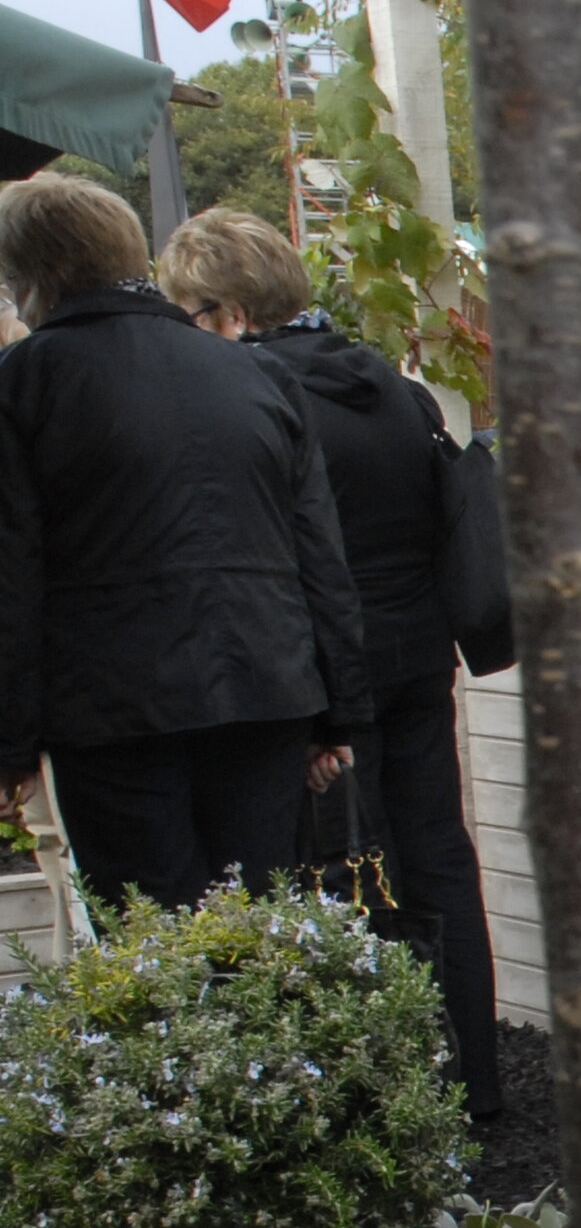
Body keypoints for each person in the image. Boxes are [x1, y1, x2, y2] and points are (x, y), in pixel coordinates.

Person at [158, 207, 504, 1125]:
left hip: (324, 672)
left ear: (226, 312)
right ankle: (475, 1080)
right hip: (420, 655)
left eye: (189, 313)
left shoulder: (251, 396)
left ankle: (382, 1093)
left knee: (344, 872)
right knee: (437, 854)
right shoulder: (392, 389)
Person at [0, 174, 363, 914]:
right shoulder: (256, 371)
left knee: (153, 937)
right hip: (266, 684)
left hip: (114, 705)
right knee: (263, 930)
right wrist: (339, 715)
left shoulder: (26, 380)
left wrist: (10, 745)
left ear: (33, 280)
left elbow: (13, 568)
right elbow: (318, 555)